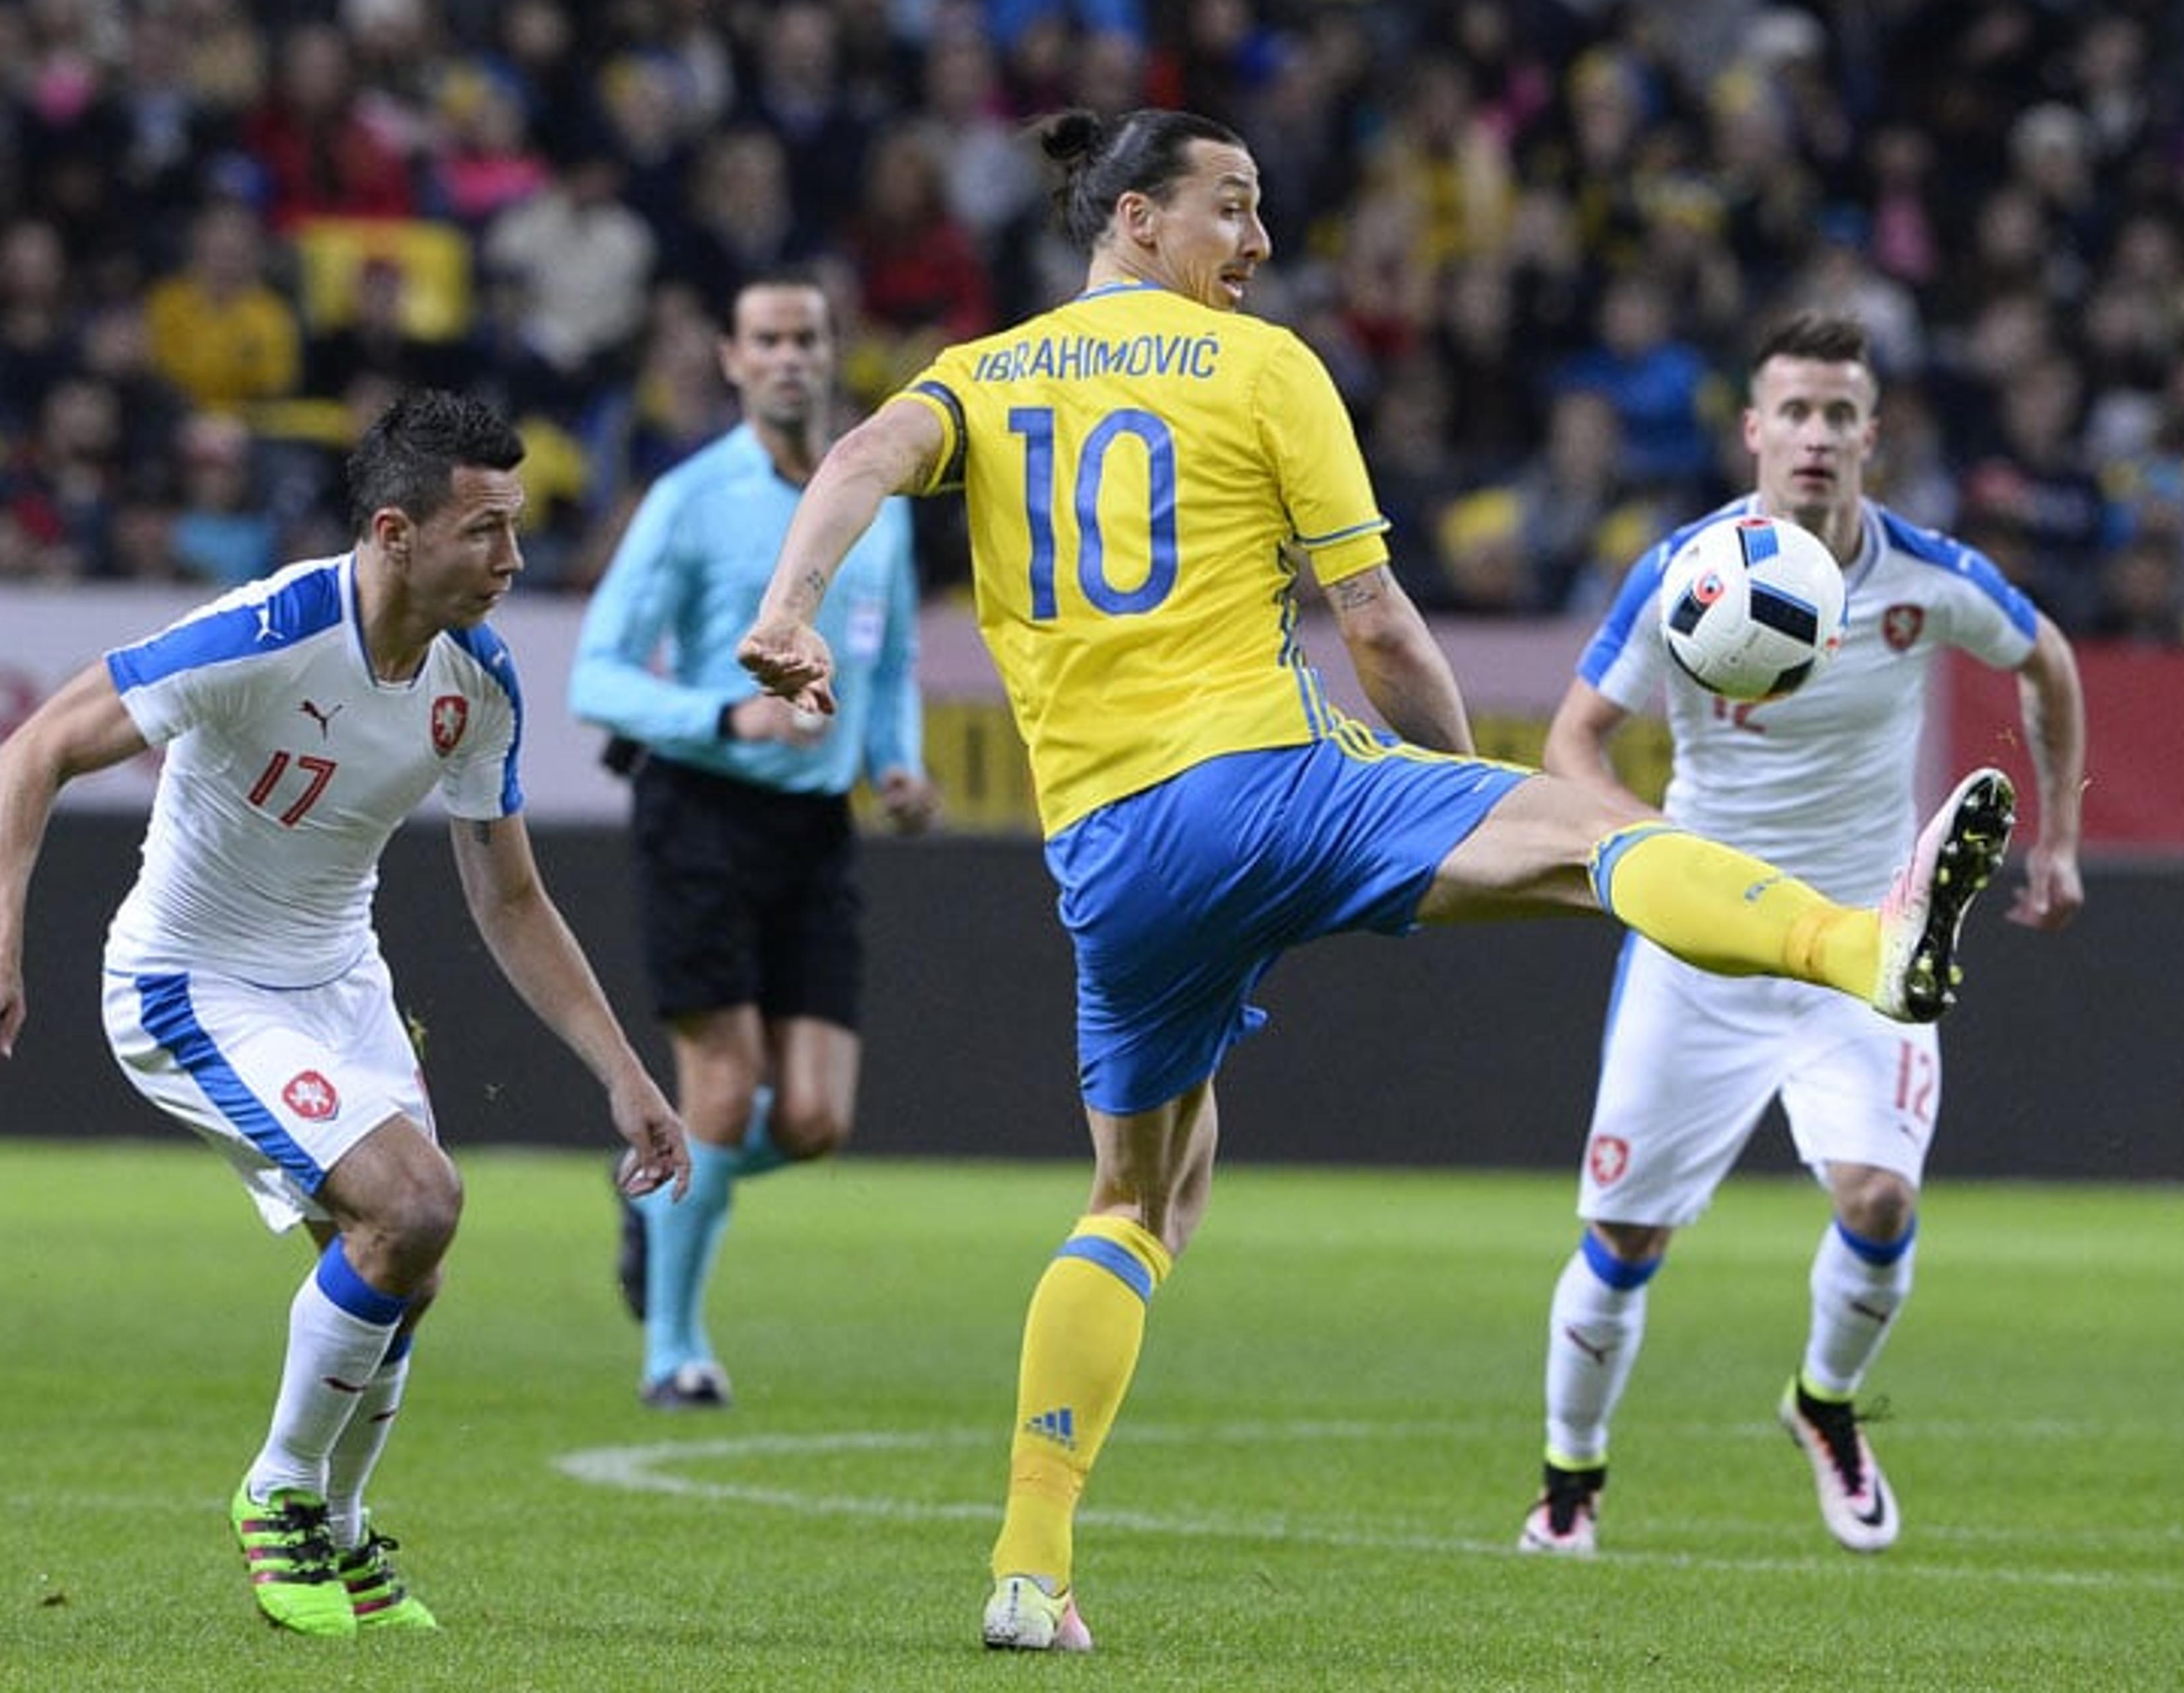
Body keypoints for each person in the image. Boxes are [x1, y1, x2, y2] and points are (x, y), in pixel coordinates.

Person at [733, 109, 2016, 1655]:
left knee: (1140, 1198)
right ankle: (1857, 947)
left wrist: (792, 605)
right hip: (1273, 783)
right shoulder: (1263, 366)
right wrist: (1477, 790)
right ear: (1135, 218)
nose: (1258, 243)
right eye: (1233, 208)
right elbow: (1381, 623)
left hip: (1109, 858)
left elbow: (867, 454)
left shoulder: (979, 376)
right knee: (1592, 837)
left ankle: (1030, 1565)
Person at [0, 389, 690, 1638]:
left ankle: (339, 1527)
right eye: (484, 531)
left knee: (408, 1264)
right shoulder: (266, 632)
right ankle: (280, 1493)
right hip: (192, 981)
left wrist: (624, 1073)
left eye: (517, 527)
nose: (514, 560)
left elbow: (512, 895)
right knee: (416, 1201)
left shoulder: (476, 682)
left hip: (340, 981)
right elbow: (33, 750)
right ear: (394, 533)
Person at [1516, 310, 2087, 1560]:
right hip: (1703, 951)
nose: (1817, 436)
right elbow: (1573, 744)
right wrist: (1653, 855)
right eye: (1797, 412)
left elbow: (2046, 661)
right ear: (1754, 432)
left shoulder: (1926, 575)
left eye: (1842, 414)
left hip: (1862, 947)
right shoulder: (1687, 569)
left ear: (1872, 437)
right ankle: (1570, 1481)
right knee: (1622, 1238)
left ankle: (1825, 1406)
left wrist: (2059, 840)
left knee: (1878, 1198)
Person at [570, 272, 940, 1410]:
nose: (789, 358)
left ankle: (656, 1192)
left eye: (807, 339)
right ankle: (672, 1350)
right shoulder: (690, 499)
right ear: (730, 360)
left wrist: (895, 758)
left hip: (816, 825)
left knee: (819, 1119)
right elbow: (597, 674)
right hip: (704, 811)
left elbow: (887, 658)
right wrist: (721, 714)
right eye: (767, 340)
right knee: (721, 1090)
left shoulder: (874, 499)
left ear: (834, 354)